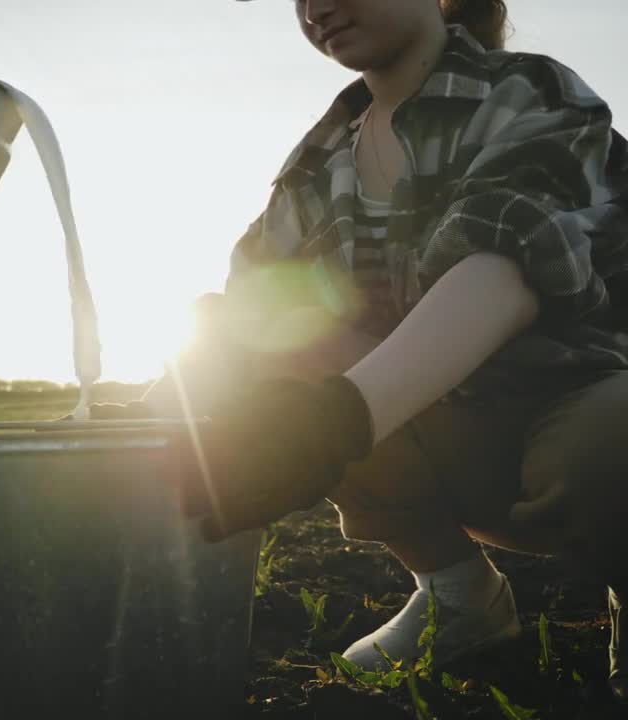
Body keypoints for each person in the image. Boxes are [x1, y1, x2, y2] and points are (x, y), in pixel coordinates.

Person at [96, 0, 628, 697]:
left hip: (574, 417)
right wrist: (133, 430)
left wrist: (332, 422)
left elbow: (507, 265)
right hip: (448, 443)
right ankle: (458, 597)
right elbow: (243, 320)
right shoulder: (316, 164)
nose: (317, 7)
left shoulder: (528, 93)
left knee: (611, 440)